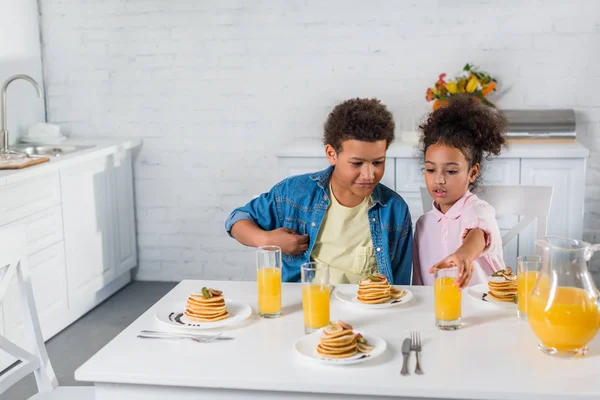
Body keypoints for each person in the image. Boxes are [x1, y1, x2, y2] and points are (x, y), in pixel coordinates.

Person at [225, 98, 413, 284]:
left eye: (378, 162)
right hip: (307, 306)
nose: (369, 174)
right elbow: (237, 220)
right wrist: (266, 239)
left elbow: (400, 285)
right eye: (357, 163)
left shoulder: (395, 210)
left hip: (367, 310)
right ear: (332, 154)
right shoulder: (294, 193)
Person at [413, 96, 508, 288]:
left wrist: (464, 254)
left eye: (451, 171)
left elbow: (478, 234)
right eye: (431, 169)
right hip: (441, 314)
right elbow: (420, 285)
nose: (439, 179)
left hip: (486, 310)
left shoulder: (477, 210)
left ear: (472, 172)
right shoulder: (423, 225)